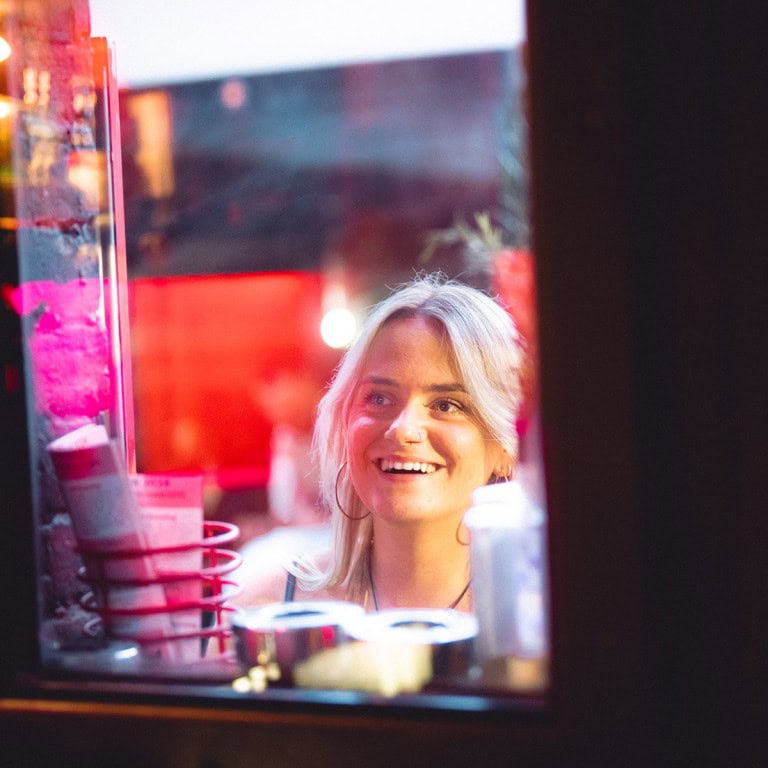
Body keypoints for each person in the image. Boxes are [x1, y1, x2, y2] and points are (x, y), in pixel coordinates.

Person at [236, 272, 523, 612]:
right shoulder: (265, 602)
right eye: (379, 399)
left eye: (446, 405)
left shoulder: (535, 617)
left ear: (504, 448)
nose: (403, 430)